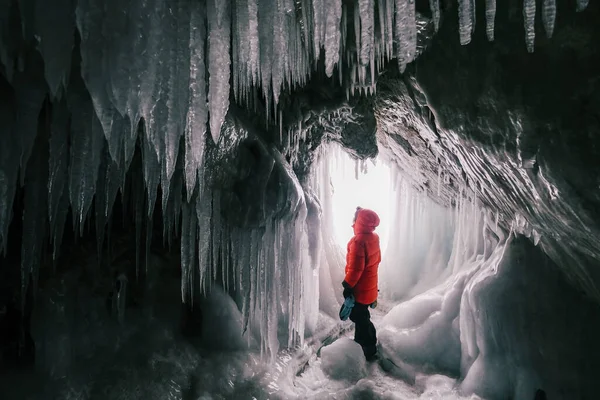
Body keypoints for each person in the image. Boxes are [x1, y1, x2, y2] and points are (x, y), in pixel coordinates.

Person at [342, 206, 381, 361]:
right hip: (369, 286)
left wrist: (347, 285)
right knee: (362, 315)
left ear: (359, 222)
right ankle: (366, 343)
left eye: (355, 218)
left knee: (359, 317)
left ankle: (366, 347)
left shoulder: (358, 241)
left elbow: (356, 268)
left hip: (360, 289)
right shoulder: (374, 238)